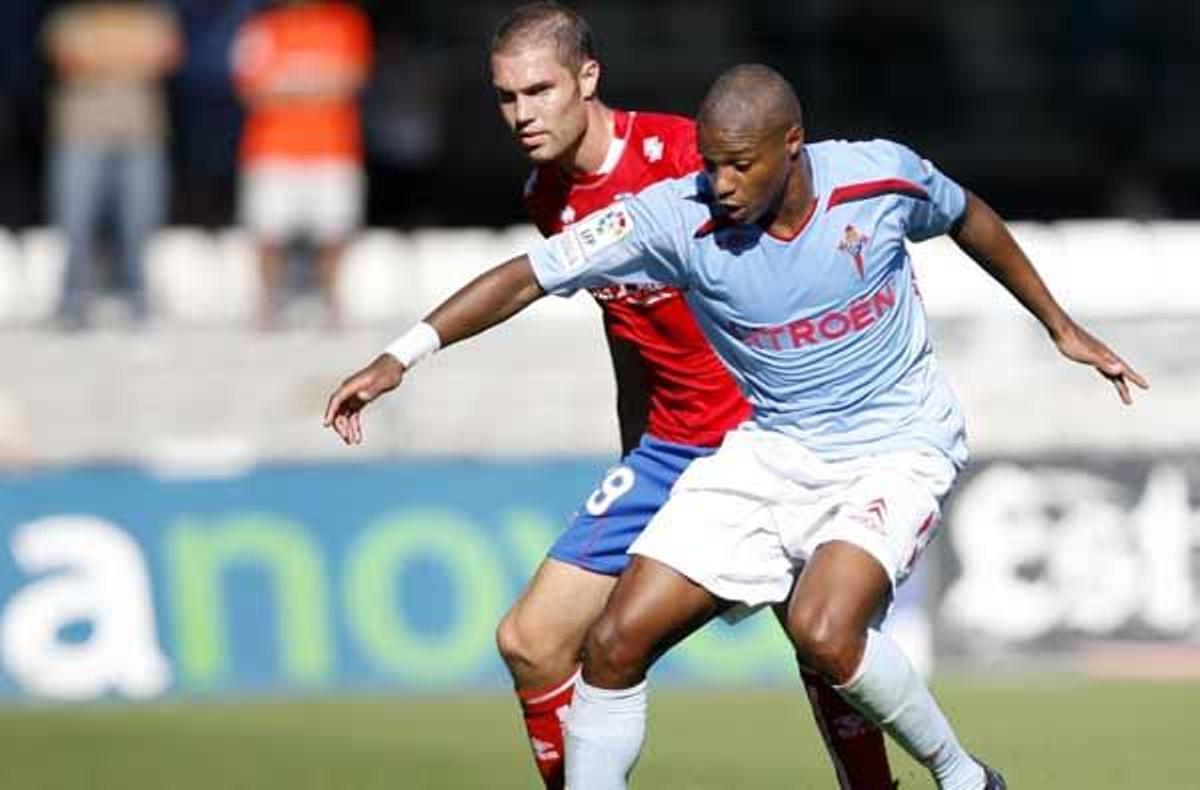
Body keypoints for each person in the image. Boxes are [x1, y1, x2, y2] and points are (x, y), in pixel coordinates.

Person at [324, 64, 1147, 789]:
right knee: (614, 643)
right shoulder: (673, 217)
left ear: (794, 145)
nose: (718, 182)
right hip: (770, 449)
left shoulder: (877, 179)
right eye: (710, 162)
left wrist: (1059, 326)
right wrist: (402, 356)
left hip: (895, 448)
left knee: (827, 633)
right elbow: (528, 277)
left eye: (738, 165)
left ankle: (961, 778)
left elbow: (969, 217)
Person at [484, 4, 895, 788]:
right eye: (506, 98)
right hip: (671, 447)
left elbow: (794, 257)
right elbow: (624, 324)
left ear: (588, 78)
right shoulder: (548, 195)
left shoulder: (688, 155)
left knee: (822, 643)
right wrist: (633, 443)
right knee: (531, 641)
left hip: (764, 435)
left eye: (538, 91)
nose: (522, 114)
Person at [230, 0, 372, 328]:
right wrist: (314, 86)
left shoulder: (346, 22)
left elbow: (348, 81)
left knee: (335, 231)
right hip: (271, 149)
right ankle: (267, 307)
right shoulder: (262, 28)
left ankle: (333, 304)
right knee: (266, 231)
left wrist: (288, 86)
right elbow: (252, 90)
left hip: (333, 148)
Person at [43, 0, 184, 329]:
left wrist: (103, 61)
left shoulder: (154, 18)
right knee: (75, 222)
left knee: (140, 222)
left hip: (140, 134)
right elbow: (69, 62)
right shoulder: (70, 19)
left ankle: (138, 301)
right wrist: (129, 61)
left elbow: (165, 60)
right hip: (81, 134)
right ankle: (73, 303)